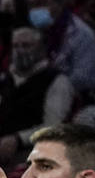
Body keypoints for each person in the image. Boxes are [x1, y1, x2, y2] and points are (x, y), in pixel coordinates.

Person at [0, 29, 76, 166]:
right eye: (16, 46)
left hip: (32, 151)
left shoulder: (57, 81)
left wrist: (18, 139)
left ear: (42, 48)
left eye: (26, 45)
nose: (20, 51)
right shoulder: (6, 79)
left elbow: (53, 126)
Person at [24, 0, 95, 95]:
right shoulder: (34, 35)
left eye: (41, 3)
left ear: (59, 4)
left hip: (82, 99)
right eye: (31, 5)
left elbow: (86, 80)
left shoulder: (81, 35)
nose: (35, 10)